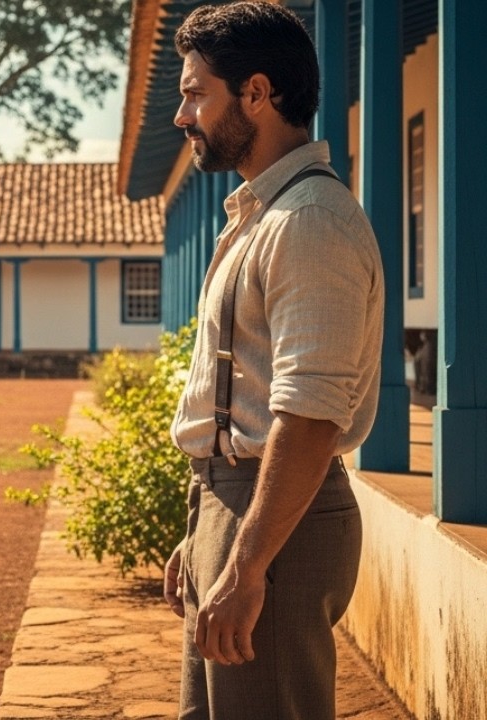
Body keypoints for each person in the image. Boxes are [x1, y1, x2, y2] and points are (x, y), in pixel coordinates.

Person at [159, 3, 383, 719]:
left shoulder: (307, 223)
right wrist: (205, 532)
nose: (182, 115)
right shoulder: (265, 215)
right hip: (243, 506)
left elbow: (310, 415)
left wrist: (247, 560)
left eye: (196, 92)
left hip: (278, 518)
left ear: (256, 93)